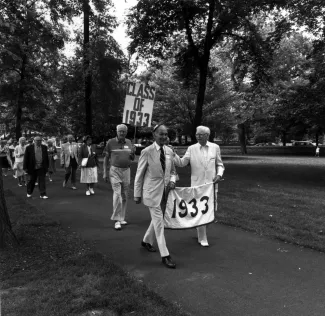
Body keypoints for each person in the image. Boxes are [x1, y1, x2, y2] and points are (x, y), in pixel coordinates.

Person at [173, 125, 225, 247]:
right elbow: (182, 163)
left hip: (211, 185)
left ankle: (199, 228)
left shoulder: (215, 147)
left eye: (201, 134)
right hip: (197, 185)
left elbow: (220, 164)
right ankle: (203, 237)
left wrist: (219, 174)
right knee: (202, 210)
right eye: (197, 134)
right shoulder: (192, 148)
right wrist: (173, 154)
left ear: (207, 135)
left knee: (211, 210)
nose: (198, 136)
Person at [134, 124, 177, 269]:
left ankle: (146, 241)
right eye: (161, 134)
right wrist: (137, 194)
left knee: (156, 220)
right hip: (151, 193)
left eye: (166, 134)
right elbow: (139, 175)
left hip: (165, 193)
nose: (164, 136)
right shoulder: (147, 152)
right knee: (159, 223)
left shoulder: (169, 151)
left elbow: (172, 172)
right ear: (154, 135)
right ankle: (165, 255)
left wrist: (172, 181)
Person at [103, 124, 135, 230]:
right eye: (120, 131)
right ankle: (117, 220)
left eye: (124, 131)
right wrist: (104, 172)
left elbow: (132, 158)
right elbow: (106, 158)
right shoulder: (110, 142)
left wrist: (132, 154)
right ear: (117, 132)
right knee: (117, 194)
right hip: (114, 170)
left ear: (126, 132)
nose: (122, 133)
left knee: (125, 195)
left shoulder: (129, 142)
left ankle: (122, 217)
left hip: (126, 170)